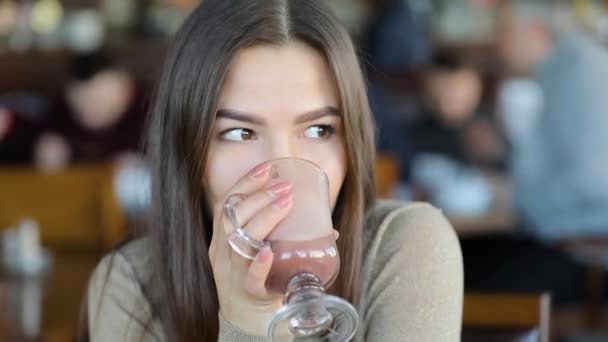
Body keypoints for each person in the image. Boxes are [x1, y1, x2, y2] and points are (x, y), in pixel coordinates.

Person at [82, 1, 463, 341]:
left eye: (319, 130)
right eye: (239, 133)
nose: (283, 173)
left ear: (352, 145)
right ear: (188, 151)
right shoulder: (132, 283)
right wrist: (247, 323)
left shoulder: (403, 247)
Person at [463, 0, 608, 306]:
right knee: (451, 258)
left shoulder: (580, 68)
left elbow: (595, 180)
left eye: (505, 31)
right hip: (562, 243)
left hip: (584, 255)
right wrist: (505, 156)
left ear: (537, 30)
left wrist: (516, 196)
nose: (498, 44)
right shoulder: (562, 71)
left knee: (447, 275)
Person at [34, 52, 147, 171]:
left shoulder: (148, 117)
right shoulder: (58, 117)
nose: (93, 108)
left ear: (128, 89)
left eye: (101, 99)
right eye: (85, 100)